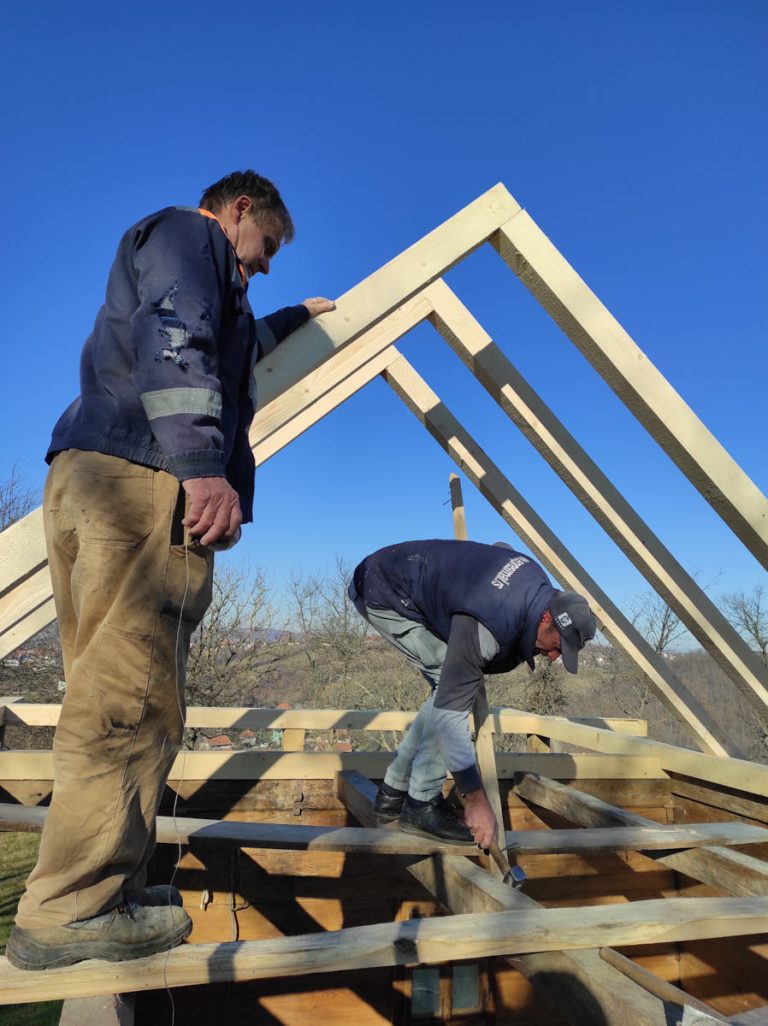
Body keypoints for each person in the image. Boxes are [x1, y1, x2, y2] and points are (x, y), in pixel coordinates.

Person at [7, 171, 335, 971]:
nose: (261, 272)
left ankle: (108, 886)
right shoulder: (192, 238)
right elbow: (178, 334)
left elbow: (228, 342)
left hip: (93, 473)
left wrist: (293, 318)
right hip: (146, 479)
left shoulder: (179, 260)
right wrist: (201, 463)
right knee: (134, 697)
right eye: (263, 255)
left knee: (100, 689)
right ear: (239, 211)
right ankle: (69, 911)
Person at [348, 539, 597, 849]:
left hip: (398, 572)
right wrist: (475, 798)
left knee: (461, 684)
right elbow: (449, 716)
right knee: (449, 684)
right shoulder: (490, 623)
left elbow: (501, 548)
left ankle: (393, 792)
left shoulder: (538, 587)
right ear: (547, 619)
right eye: (558, 646)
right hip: (382, 588)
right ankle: (420, 806)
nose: (553, 657)